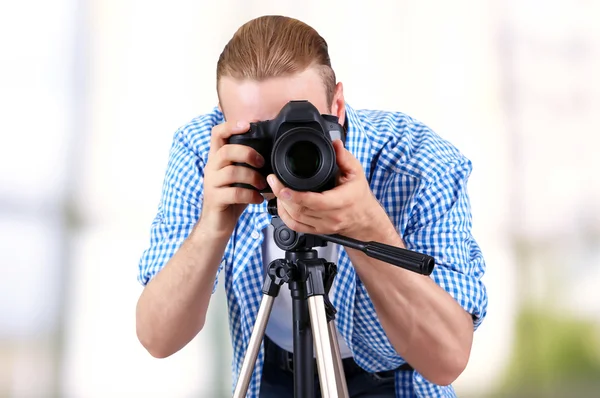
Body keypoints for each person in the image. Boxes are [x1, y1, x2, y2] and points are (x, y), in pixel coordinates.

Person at [135, 15, 488, 398]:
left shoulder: (418, 162)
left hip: (394, 377)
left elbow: (447, 359)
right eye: (260, 134)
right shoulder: (206, 152)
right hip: (270, 371)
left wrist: (367, 227)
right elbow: (159, 338)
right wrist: (213, 227)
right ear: (223, 119)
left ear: (337, 105)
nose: (285, 153)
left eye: (300, 127)